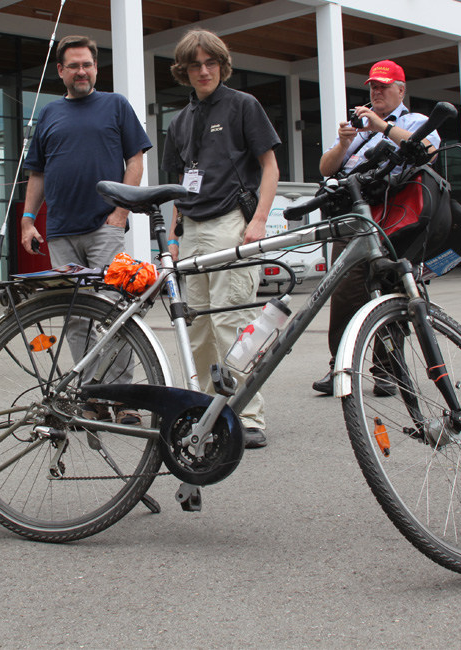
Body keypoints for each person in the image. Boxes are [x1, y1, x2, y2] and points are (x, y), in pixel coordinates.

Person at [18, 34, 153, 425]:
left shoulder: (115, 105)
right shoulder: (49, 114)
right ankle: (94, 396)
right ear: (60, 71)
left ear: (96, 68)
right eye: (74, 65)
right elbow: (37, 173)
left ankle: (124, 398)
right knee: (76, 318)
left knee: (114, 313)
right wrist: (29, 219)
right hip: (60, 232)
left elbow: (135, 160)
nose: (82, 71)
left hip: (104, 227)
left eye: (88, 64)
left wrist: (120, 214)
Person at [161, 29, 281, 449]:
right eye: (195, 64)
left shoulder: (243, 105)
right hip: (191, 228)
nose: (204, 70)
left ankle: (247, 414)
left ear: (222, 65)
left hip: (231, 221)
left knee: (231, 321)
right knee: (196, 328)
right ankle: (211, 411)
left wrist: (260, 219)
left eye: (210, 62)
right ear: (184, 70)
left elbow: (270, 166)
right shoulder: (179, 121)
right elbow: (180, 184)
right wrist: (174, 235)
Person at [311, 59, 441, 396]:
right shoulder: (358, 128)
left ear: (401, 89)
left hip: (394, 214)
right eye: (372, 86)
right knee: (343, 293)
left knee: (390, 289)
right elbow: (326, 168)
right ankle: (340, 366)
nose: (376, 91)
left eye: (383, 86)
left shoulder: (415, 121)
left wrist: (382, 127)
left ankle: (388, 369)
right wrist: (343, 142)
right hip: (354, 214)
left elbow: (426, 150)